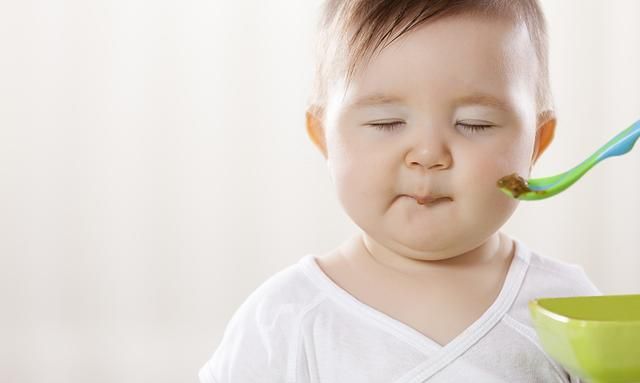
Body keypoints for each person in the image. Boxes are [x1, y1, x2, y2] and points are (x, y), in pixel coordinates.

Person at [199, 1, 601, 381]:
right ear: (324, 137)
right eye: (386, 122)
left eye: (475, 123)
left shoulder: (568, 309)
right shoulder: (284, 320)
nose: (427, 154)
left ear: (536, 144)